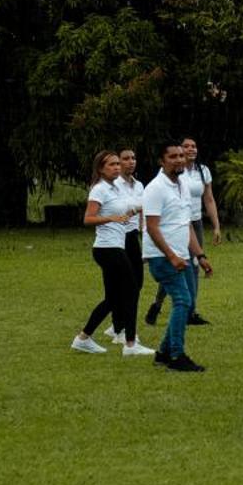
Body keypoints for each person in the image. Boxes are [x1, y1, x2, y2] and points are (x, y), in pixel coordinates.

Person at [73, 150, 154, 357]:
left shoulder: (115, 189)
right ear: (100, 168)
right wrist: (112, 219)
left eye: (118, 164)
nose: (117, 167)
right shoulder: (99, 189)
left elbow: (126, 210)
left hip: (114, 248)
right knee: (132, 290)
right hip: (107, 249)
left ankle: (83, 338)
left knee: (113, 298)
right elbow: (88, 219)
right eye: (112, 164)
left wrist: (144, 207)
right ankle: (130, 343)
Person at [141, 138, 212, 371]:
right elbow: (151, 227)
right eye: (173, 157)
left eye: (181, 156)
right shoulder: (155, 188)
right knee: (183, 301)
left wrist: (200, 256)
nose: (179, 160)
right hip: (162, 257)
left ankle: (163, 353)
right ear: (162, 161)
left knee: (186, 302)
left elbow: (186, 224)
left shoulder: (182, 184)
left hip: (181, 254)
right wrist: (171, 256)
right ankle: (176, 356)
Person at [147, 135, 220, 328]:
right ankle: (158, 304)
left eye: (193, 146)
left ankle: (191, 311)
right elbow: (152, 222)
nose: (190, 150)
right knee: (175, 269)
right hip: (173, 227)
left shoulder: (202, 172)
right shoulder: (168, 179)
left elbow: (209, 199)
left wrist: (216, 226)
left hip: (192, 223)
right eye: (185, 147)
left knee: (192, 266)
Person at [116, 147, 146, 340]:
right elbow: (124, 209)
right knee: (123, 283)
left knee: (138, 281)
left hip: (134, 235)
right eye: (126, 158)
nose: (131, 162)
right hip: (119, 236)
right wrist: (135, 208)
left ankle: (120, 322)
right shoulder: (114, 185)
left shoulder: (139, 185)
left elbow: (143, 212)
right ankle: (120, 328)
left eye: (133, 158)